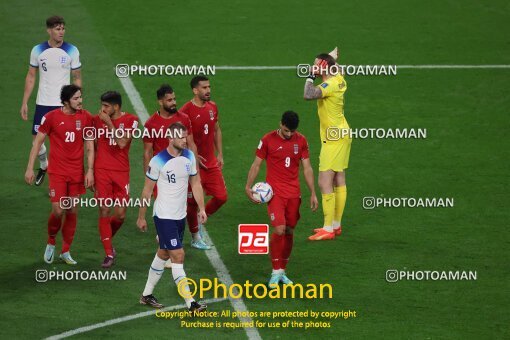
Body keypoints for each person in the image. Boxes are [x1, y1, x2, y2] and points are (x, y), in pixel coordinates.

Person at [137, 123, 207, 312]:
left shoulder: (189, 156)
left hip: (180, 216)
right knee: (178, 255)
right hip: (164, 215)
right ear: (171, 137)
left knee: (164, 252)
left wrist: (201, 208)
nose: (185, 140)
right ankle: (191, 303)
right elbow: (147, 190)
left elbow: (196, 183)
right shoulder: (158, 161)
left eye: (186, 136)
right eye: (181, 137)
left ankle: (146, 295)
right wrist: (141, 216)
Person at [245, 111, 318, 287]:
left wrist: (313, 193)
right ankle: (275, 270)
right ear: (280, 124)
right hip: (275, 194)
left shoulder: (301, 141)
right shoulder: (267, 140)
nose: (289, 134)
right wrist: (248, 186)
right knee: (279, 229)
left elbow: (307, 168)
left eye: (292, 132)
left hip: (294, 194)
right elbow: (256, 164)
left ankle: (282, 271)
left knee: (289, 231)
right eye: (286, 131)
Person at [24, 85, 93, 264]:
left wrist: (90, 170)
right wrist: (30, 168)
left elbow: (90, 145)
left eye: (80, 97)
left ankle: (66, 250)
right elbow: (38, 143)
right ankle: (51, 241)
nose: (80, 101)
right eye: (76, 98)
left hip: (76, 172)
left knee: (71, 209)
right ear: (66, 101)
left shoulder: (85, 117)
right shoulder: (51, 117)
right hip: (58, 172)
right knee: (58, 209)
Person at [21, 16, 82, 186]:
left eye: (63, 28)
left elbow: (77, 77)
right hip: (43, 103)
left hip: (63, 104)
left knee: (62, 145)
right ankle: (43, 165)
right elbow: (31, 76)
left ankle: (60, 182)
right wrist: (25, 102)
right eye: (57, 29)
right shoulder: (38, 50)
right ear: (49, 30)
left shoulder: (72, 50)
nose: (61, 32)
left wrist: (76, 100)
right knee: (36, 141)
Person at [304, 51, 351, 241]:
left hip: (333, 138)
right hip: (343, 134)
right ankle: (336, 226)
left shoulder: (329, 84)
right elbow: (337, 68)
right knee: (338, 177)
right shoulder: (339, 78)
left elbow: (308, 94)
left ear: (323, 67)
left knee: (324, 181)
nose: (313, 66)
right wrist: (331, 60)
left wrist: (310, 76)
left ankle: (327, 229)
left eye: (316, 64)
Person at [180, 76, 228, 250]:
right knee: (191, 203)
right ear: (195, 90)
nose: (208, 90)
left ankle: (202, 216)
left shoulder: (212, 107)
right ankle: (195, 237)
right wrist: (193, 158)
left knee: (222, 197)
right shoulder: (185, 112)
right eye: (204, 87)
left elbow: (216, 129)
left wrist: (220, 153)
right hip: (192, 165)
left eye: (209, 87)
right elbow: (182, 140)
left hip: (211, 163)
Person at [93, 91, 139, 268]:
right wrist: (90, 171)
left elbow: (121, 143)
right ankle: (108, 252)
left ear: (116, 107)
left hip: (121, 171)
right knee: (104, 209)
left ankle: (105, 235)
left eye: (106, 106)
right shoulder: (97, 120)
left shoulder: (131, 120)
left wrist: (109, 123)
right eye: (102, 105)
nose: (102, 109)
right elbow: (93, 146)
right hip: (102, 170)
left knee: (120, 214)